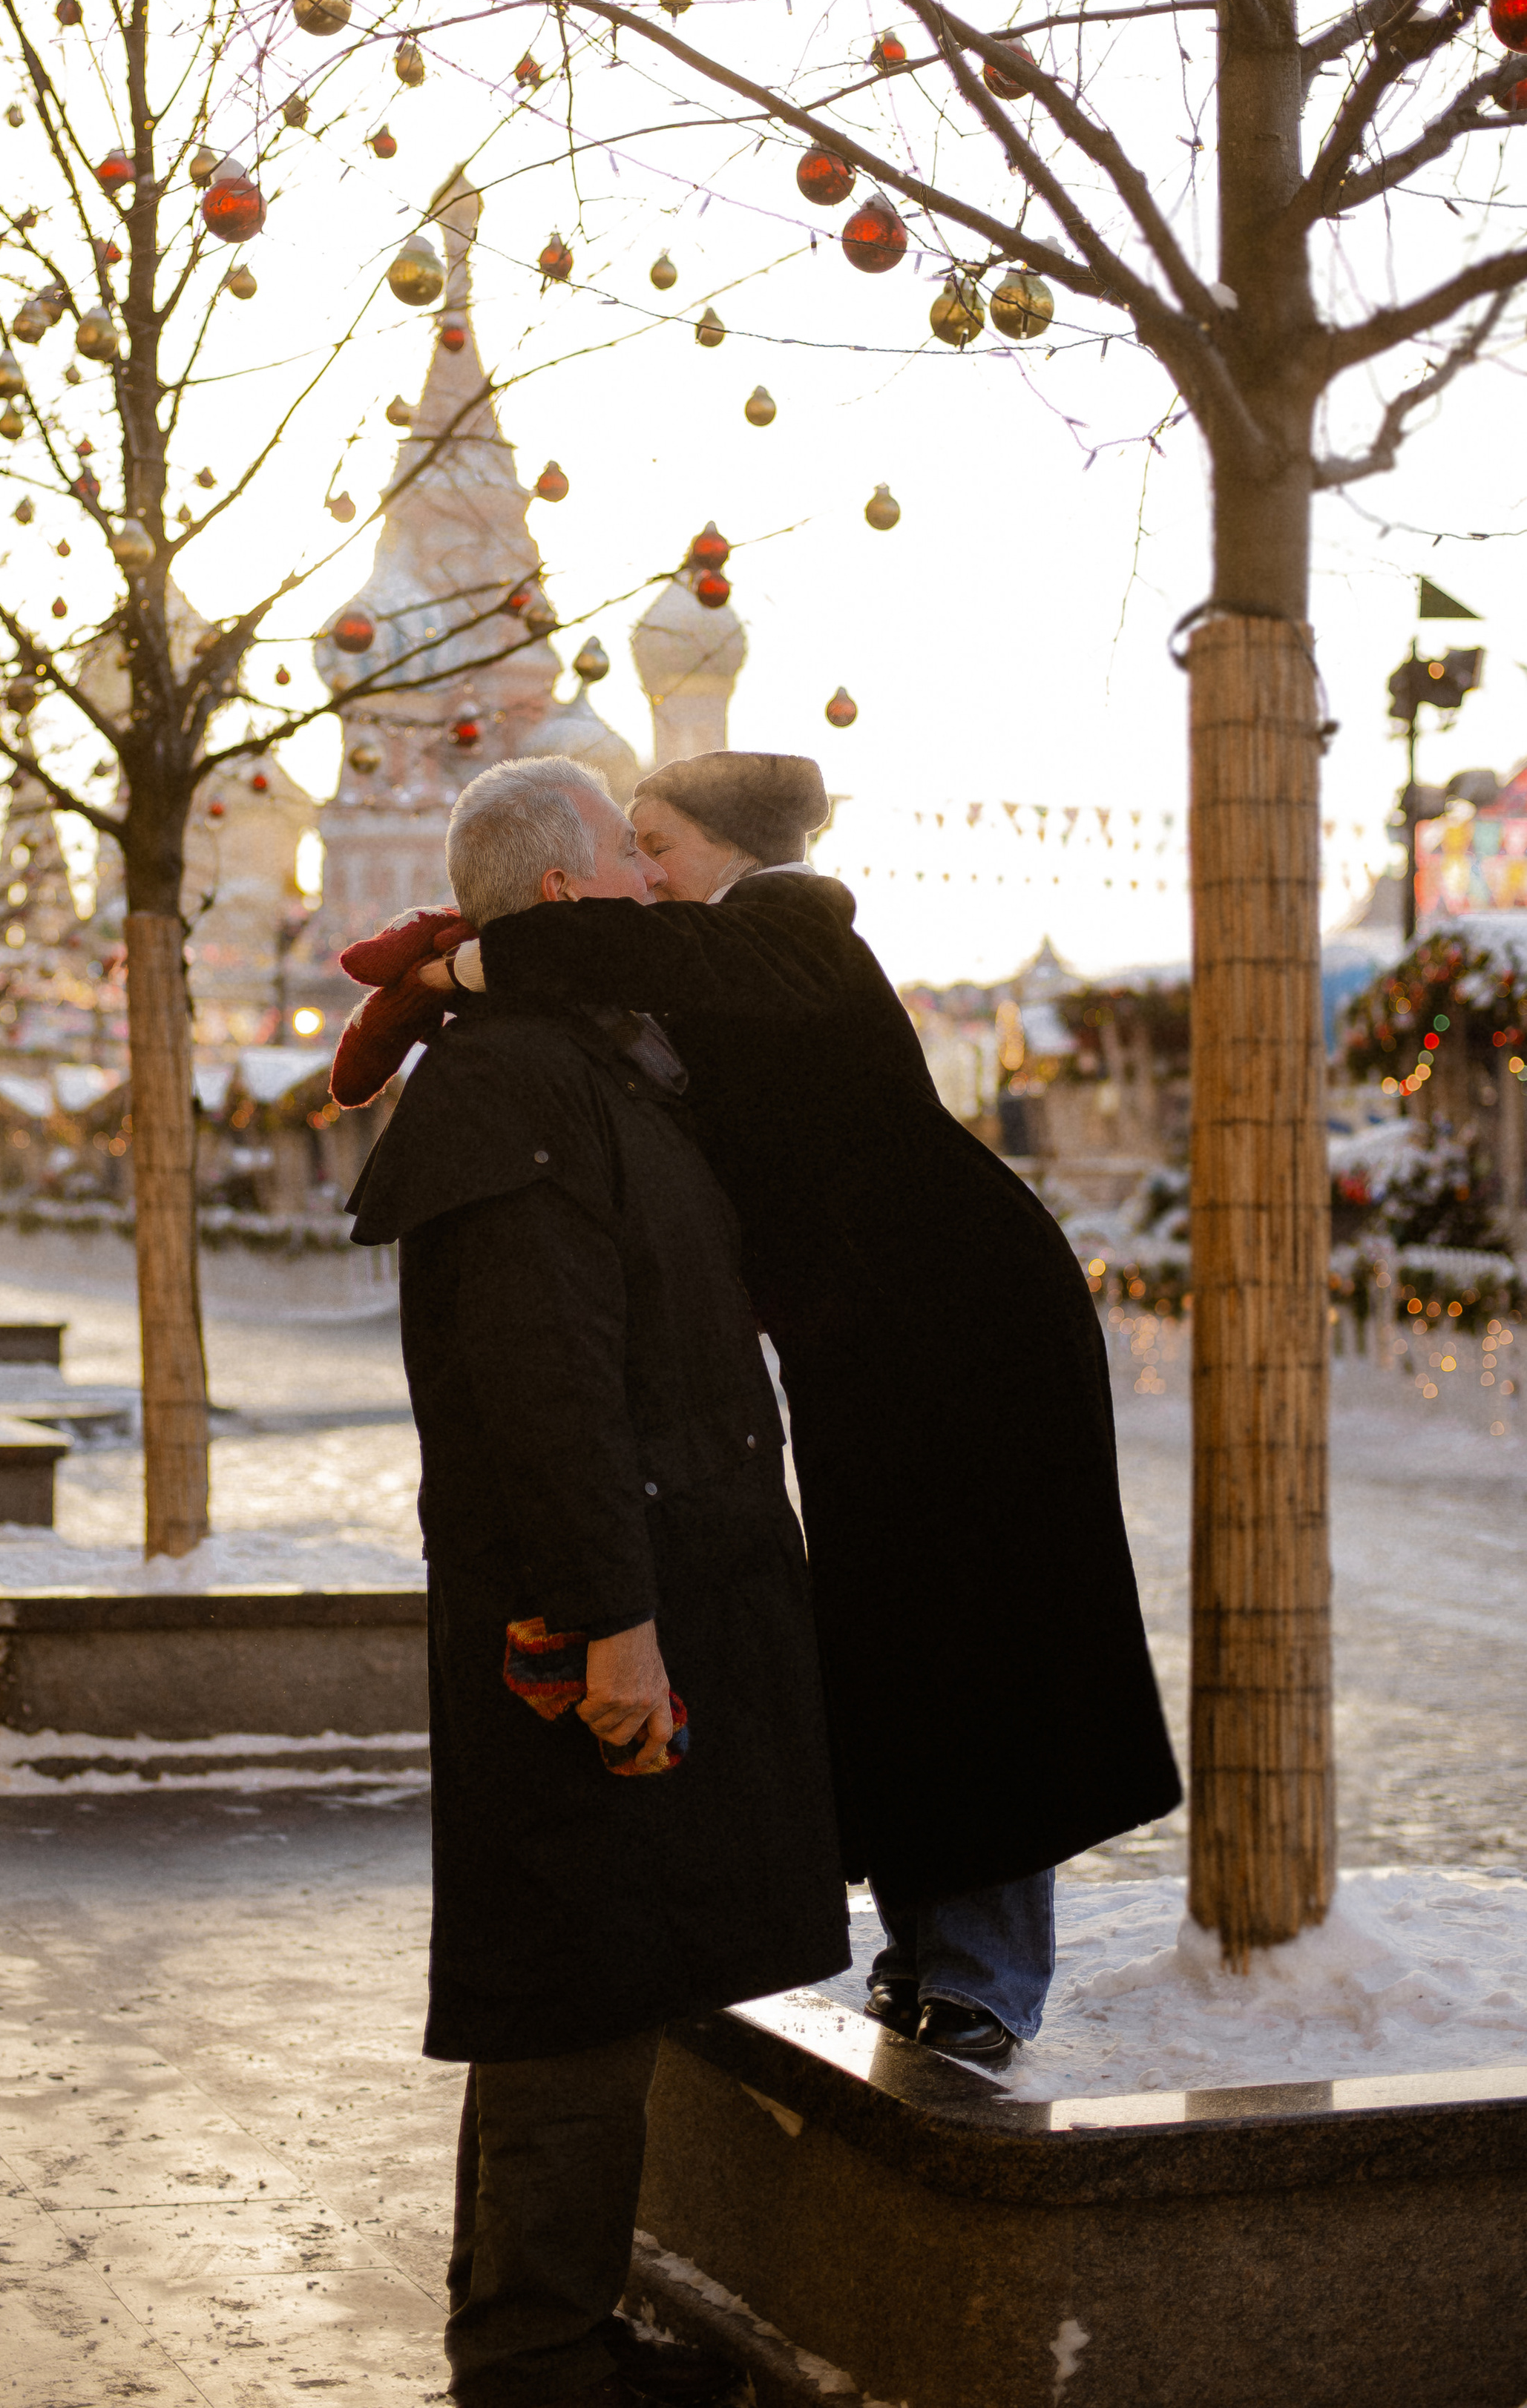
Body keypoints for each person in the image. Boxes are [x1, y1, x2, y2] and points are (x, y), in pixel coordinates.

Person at [430, 749, 1180, 2069]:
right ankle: (927, 1948)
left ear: (731, 848)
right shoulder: (721, 957)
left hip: (966, 1335)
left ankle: (990, 1974)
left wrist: (476, 959)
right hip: (873, 1346)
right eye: (633, 849)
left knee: (973, 1636)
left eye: (655, 842)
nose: (645, 873)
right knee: (889, 1638)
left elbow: (668, 965)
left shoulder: (791, 923)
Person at [344, 754, 849, 2408]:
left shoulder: (572, 1064)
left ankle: (528, 2323)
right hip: (583, 1613)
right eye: (627, 868)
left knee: (575, 1967)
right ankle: (538, 2358)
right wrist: (612, 1630)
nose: (656, 891)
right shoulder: (514, 1087)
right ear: (561, 896)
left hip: (640, 1581)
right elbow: (545, 1385)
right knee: (571, 1972)